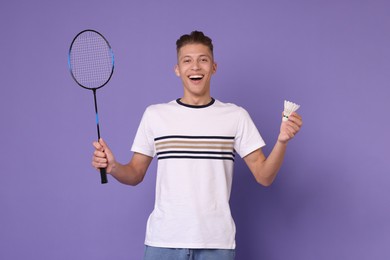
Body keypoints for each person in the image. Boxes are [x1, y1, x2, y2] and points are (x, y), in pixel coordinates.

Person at [92, 31, 303, 260]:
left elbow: (264, 176)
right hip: (163, 242)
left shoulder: (235, 116)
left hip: (216, 244)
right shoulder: (155, 115)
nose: (195, 67)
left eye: (203, 60)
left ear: (213, 67)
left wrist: (282, 142)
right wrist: (113, 167)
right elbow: (134, 173)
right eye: (187, 60)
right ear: (177, 69)